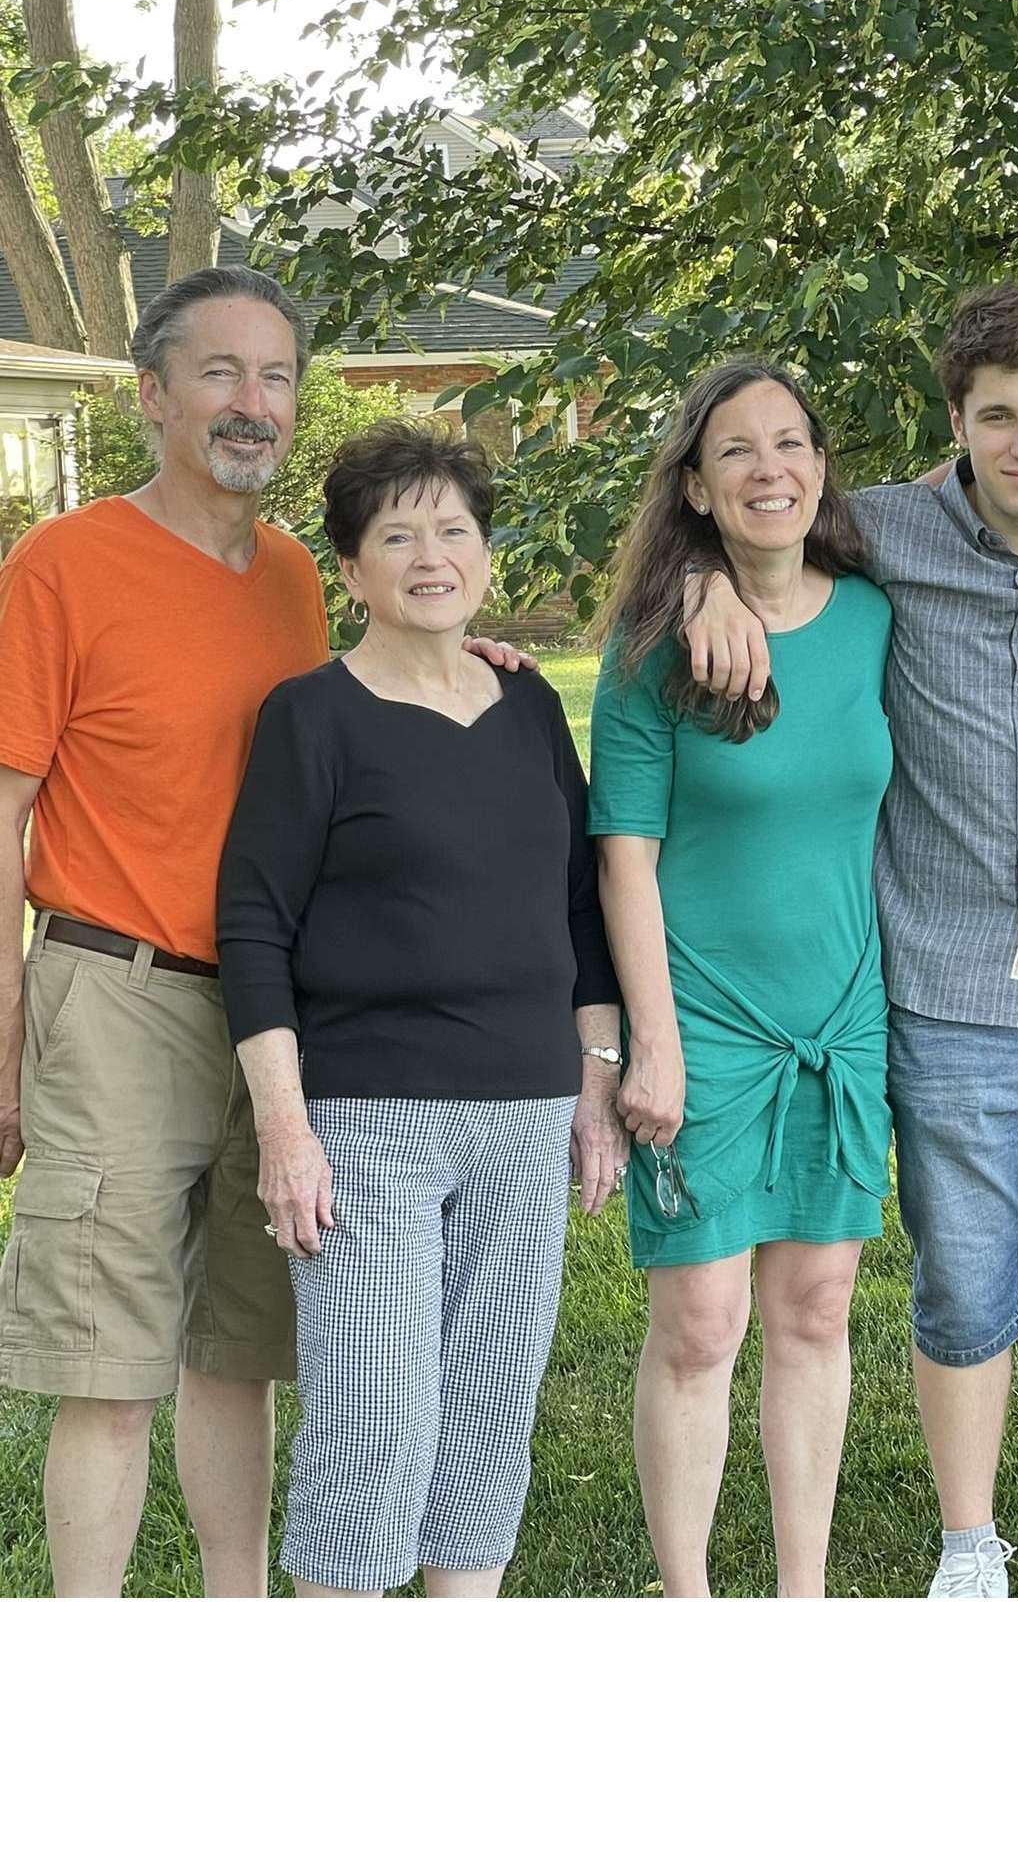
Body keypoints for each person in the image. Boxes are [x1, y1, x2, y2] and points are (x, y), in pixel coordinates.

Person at [0, 265, 527, 1597]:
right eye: (221, 371)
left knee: (240, 1351)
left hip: (286, 1016)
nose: (253, 401)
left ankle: (238, 1644)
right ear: (153, 394)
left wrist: (480, 658)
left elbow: (388, 687)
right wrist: (8, 1039)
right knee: (111, 1371)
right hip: (116, 989)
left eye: (278, 374)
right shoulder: (60, 566)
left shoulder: (302, 578)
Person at [681, 287, 1018, 1597]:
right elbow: (750, 516)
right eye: (995, 415)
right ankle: (967, 1546)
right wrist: (700, 579)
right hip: (944, 989)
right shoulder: (885, 534)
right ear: (956, 422)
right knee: (962, 1284)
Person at [216, 424, 625, 1596]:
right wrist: (287, 1133)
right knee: (373, 1424)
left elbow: (580, 912)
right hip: (367, 1121)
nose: (431, 554)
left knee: (490, 1423)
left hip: (524, 1111)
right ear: (352, 572)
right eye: (398, 535)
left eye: (453, 530)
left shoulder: (530, 709)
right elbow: (254, 927)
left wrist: (594, 1085)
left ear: (487, 556)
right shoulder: (312, 717)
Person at [591, 357, 894, 1598]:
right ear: (698, 489)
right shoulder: (653, 650)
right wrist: (648, 1046)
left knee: (817, 1308)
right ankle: (690, 1600)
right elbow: (624, 857)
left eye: (791, 445)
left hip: (842, 1019)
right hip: (704, 1021)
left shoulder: (877, 615)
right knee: (702, 1324)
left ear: (821, 469)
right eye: (736, 453)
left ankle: (801, 1598)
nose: (771, 469)